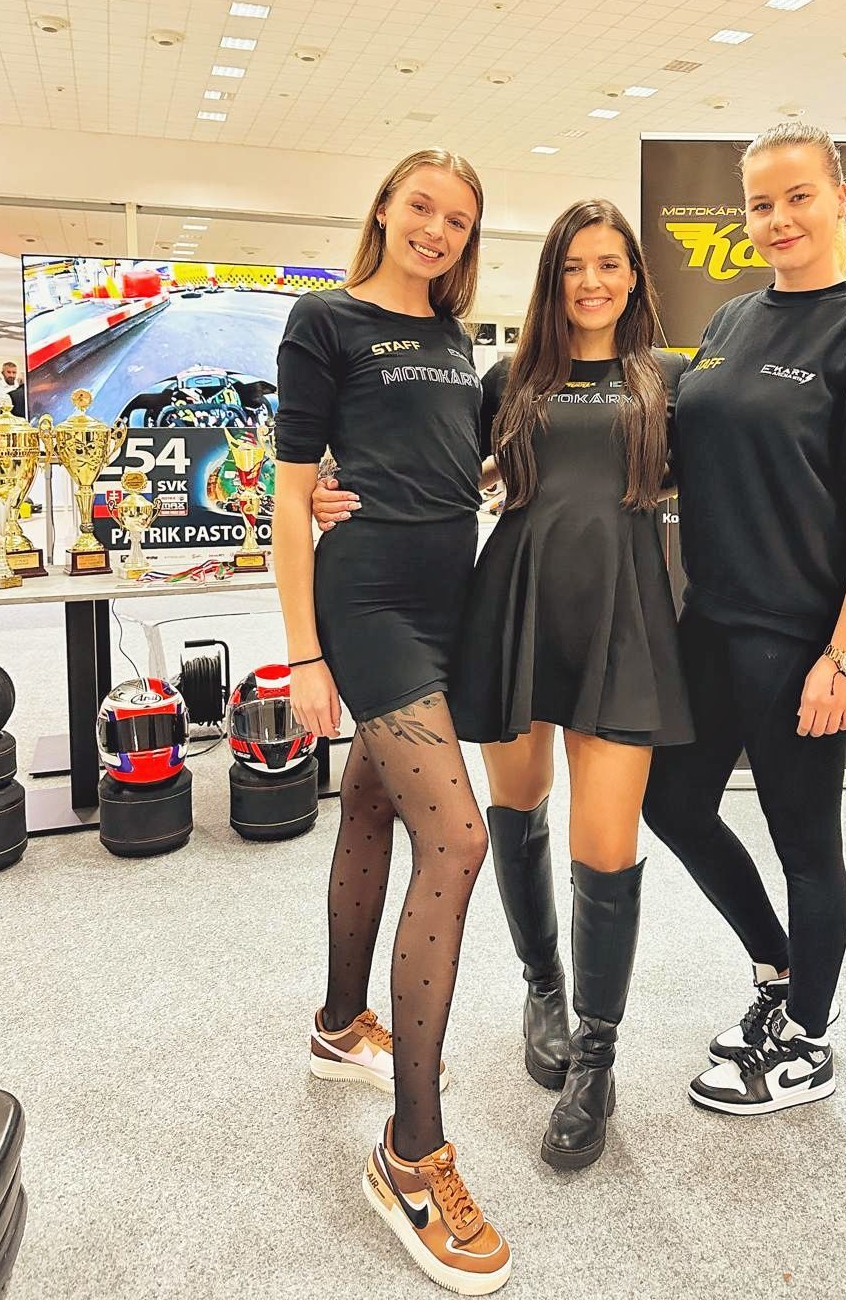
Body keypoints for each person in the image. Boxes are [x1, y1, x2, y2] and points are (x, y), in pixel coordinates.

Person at [313, 200, 692, 1172]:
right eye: (574, 266)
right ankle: (542, 990)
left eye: (610, 264)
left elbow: (724, 482)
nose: (592, 282)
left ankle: (595, 1061)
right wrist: (324, 483)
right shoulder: (507, 379)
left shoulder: (668, 380)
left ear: (635, 278)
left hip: (623, 619)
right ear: (552, 278)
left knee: (606, 847)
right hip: (515, 612)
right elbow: (424, 458)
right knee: (515, 815)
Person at [641, 121, 846, 1118]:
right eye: (761, 204)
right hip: (709, 621)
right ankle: (779, 970)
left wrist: (844, 656)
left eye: (797, 196)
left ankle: (808, 1037)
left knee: (805, 845)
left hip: (799, 638)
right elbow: (684, 458)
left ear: (841, 199)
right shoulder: (730, 322)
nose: (778, 220)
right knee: (672, 803)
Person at [273, 148, 511, 1295]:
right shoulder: (325, 320)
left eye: (457, 219)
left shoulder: (460, 340)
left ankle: (338, 1023)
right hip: (366, 604)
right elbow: (289, 496)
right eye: (422, 206)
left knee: (371, 808)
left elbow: (455, 464)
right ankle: (411, 1156)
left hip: (447, 600)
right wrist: (305, 652)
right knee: (456, 841)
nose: (437, 230)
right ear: (384, 205)